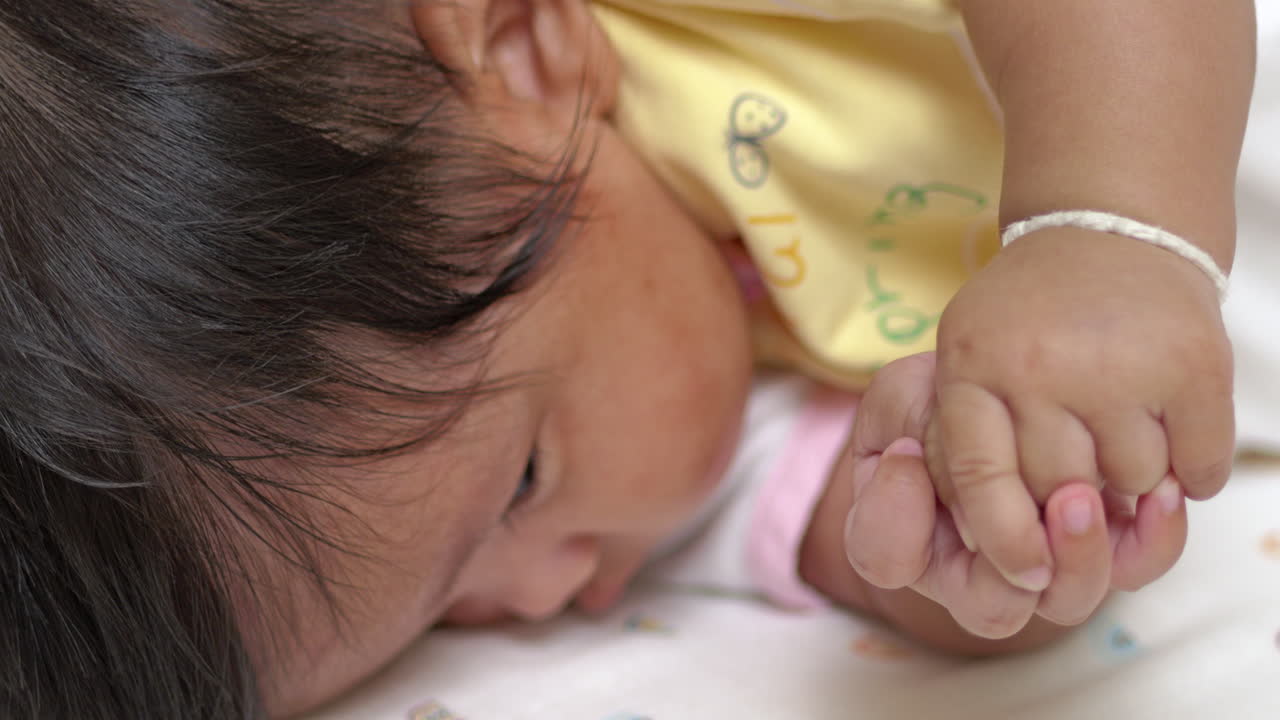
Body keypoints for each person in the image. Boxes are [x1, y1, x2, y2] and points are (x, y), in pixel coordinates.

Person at [0, 0, 1252, 718]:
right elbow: (884, 558)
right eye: (452, 615)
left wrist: (1106, 222)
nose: (550, 595)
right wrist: (981, 536)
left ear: (523, 49)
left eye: (521, 485)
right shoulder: (656, 439)